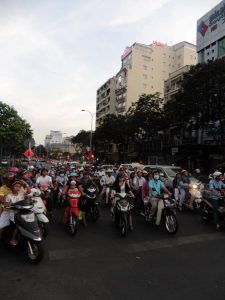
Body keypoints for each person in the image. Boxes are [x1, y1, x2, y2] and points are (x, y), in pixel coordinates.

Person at [5, 180, 27, 246]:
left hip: (22, 212)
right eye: (16, 186)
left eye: (19, 187)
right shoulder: (9, 196)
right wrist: (7, 205)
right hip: (14, 214)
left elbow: (24, 201)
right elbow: (7, 204)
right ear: (12, 187)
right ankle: (13, 238)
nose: (18, 188)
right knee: (17, 227)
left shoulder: (21, 194)